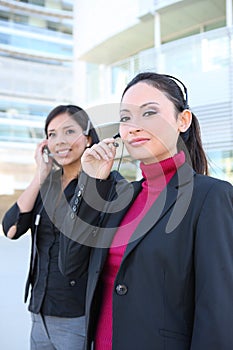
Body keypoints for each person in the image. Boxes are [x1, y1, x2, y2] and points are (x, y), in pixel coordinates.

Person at [59, 73, 233, 350]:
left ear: (182, 121)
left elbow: (218, 310)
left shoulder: (211, 197)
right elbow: (69, 265)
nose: (134, 126)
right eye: (126, 117)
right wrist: (92, 183)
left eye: (149, 112)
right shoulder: (120, 197)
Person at [2, 104, 99, 350]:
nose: (60, 141)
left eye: (69, 131)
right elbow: (11, 228)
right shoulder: (49, 185)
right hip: (39, 309)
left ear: (87, 138)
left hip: (76, 313)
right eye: (52, 134)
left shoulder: (100, 185)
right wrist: (41, 173)